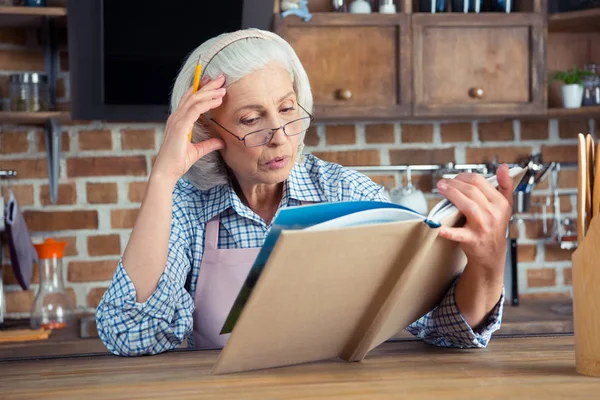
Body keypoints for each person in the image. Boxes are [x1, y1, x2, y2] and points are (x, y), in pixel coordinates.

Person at [96, 29, 514, 356]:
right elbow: (132, 335)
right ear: (206, 131)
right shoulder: (186, 208)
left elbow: (443, 328)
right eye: (250, 119)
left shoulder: (344, 191)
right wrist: (163, 178)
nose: (279, 138)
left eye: (287, 109)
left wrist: (489, 264)